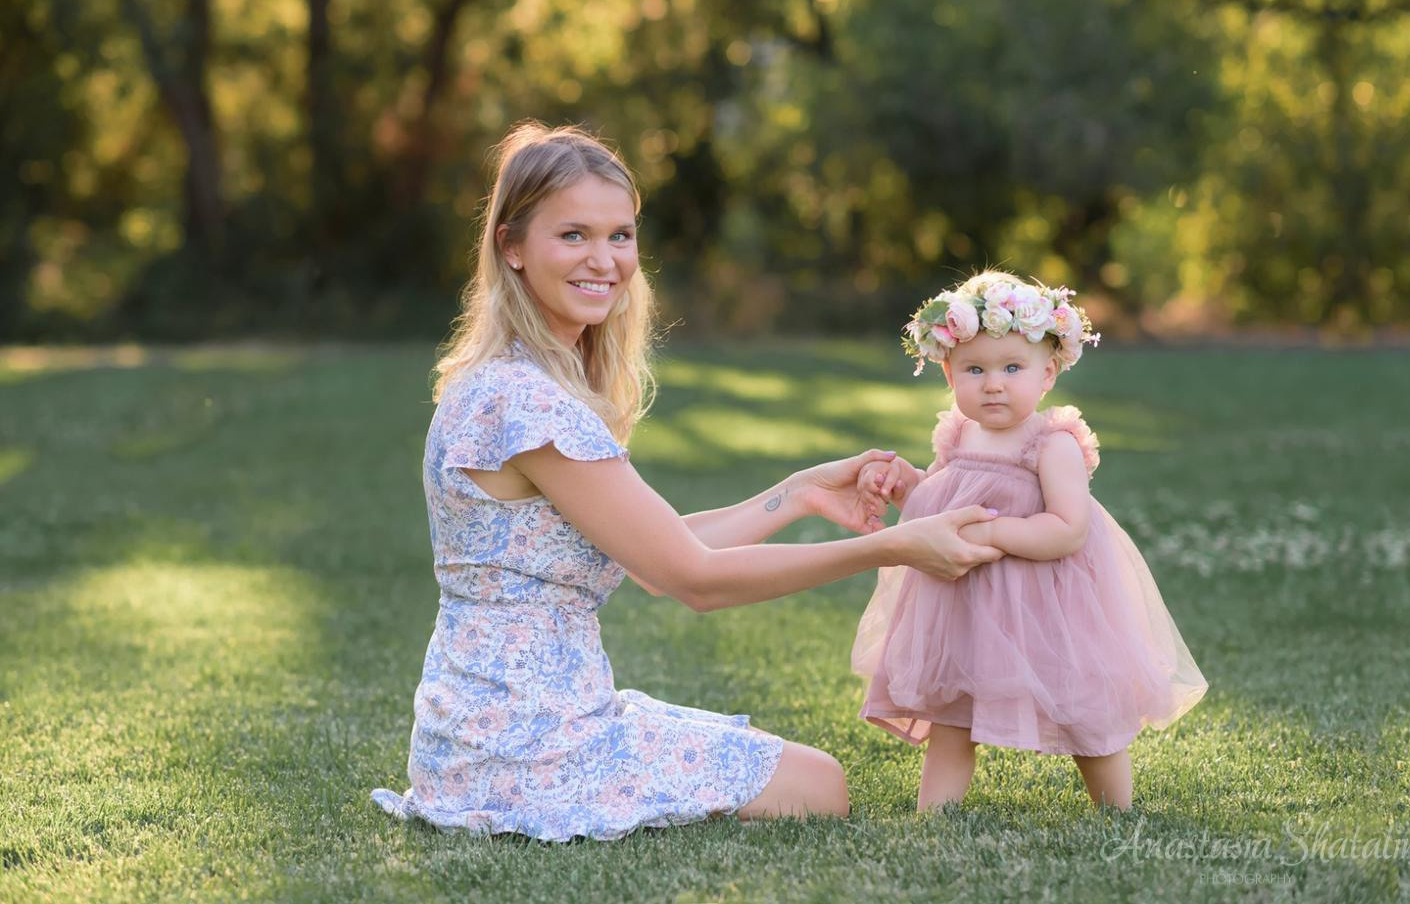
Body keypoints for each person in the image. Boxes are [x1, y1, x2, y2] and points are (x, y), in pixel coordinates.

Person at [370, 121, 1003, 842]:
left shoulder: (511, 383)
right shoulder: (528, 403)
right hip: (527, 746)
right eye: (572, 235)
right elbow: (692, 578)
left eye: (620, 235)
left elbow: (656, 555)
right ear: (511, 247)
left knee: (785, 765)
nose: (604, 260)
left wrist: (797, 493)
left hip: (489, 733)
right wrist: (897, 546)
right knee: (819, 784)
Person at [850, 271, 1208, 811]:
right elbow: (941, 508)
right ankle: (935, 815)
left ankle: (1117, 811)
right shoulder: (957, 435)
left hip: (1048, 609)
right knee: (951, 714)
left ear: (1048, 374)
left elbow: (1068, 528)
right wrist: (907, 486)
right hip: (965, 614)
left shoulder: (1050, 445)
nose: (993, 383)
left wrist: (993, 531)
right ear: (949, 373)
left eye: (1012, 368)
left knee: (1084, 708)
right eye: (975, 370)